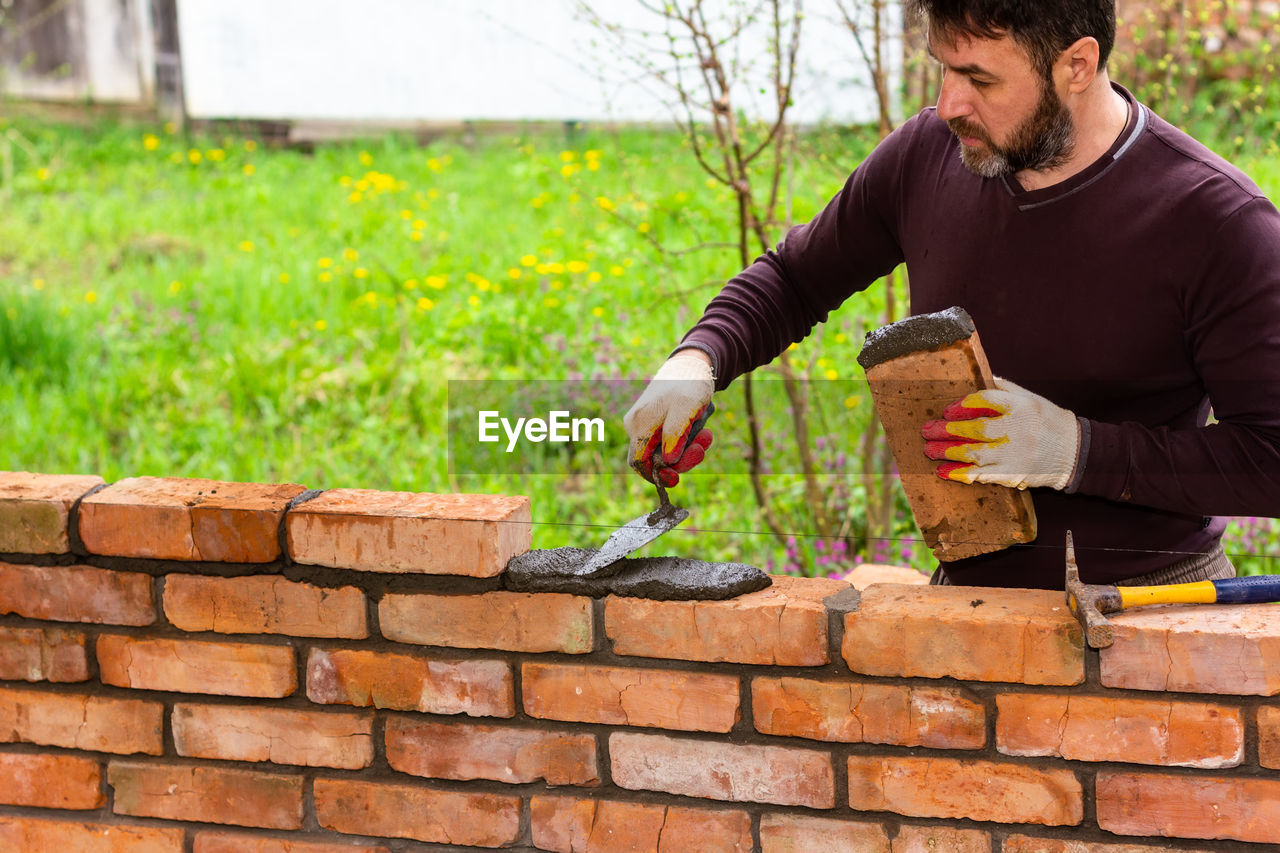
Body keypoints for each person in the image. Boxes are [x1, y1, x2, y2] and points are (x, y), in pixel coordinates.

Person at [622, 0, 1280, 589]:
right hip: (966, 607)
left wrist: (1077, 452)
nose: (947, 105)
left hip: (1158, 608)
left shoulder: (1216, 220)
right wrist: (696, 363)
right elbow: (795, 279)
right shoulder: (924, 156)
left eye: (979, 79)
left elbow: (1270, 458)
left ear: (1077, 63)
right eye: (943, 68)